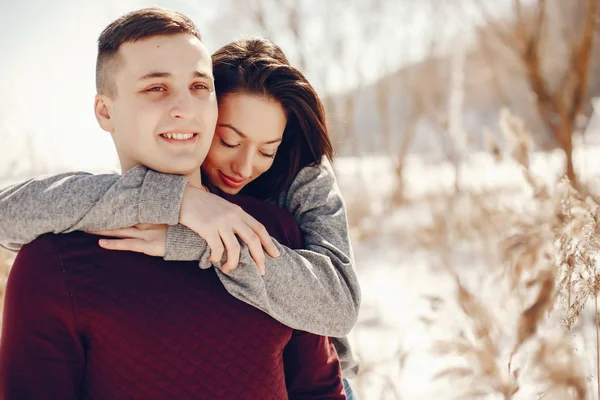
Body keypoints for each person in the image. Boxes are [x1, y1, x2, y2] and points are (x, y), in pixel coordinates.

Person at [0, 9, 361, 399]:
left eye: (197, 87)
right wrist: (176, 201)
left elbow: (336, 314)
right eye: (229, 141)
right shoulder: (59, 254)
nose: (244, 166)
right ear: (105, 111)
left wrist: (194, 240)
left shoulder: (292, 196)